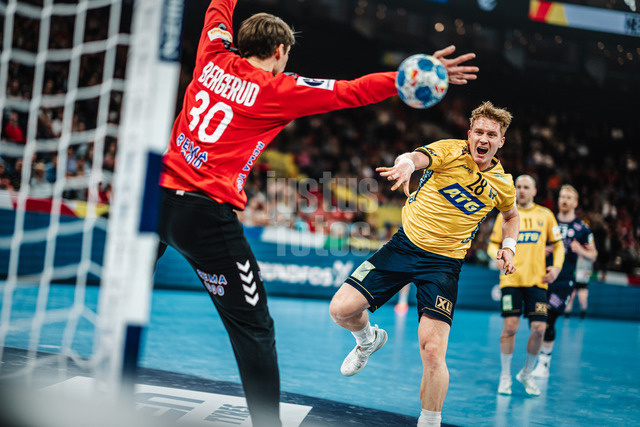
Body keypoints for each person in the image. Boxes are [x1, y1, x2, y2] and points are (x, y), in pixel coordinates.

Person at [155, 0, 480, 425]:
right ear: (279, 52)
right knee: (254, 330)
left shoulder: (213, 51)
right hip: (204, 216)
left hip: (156, 202)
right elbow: (351, 91)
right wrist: (405, 78)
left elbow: (218, 8)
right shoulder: (276, 90)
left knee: (129, 282)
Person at [330, 101, 518, 427]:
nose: (483, 139)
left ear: (501, 142)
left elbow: (511, 215)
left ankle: (430, 422)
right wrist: (405, 164)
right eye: (479, 132)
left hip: (444, 265)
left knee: (433, 352)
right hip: (403, 247)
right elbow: (417, 157)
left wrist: (509, 247)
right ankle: (367, 340)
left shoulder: (503, 183)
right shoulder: (451, 151)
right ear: (469, 134)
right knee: (340, 310)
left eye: (491, 134)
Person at [488, 174, 565, 397]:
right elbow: (492, 244)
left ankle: (527, 373)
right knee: (510, 328)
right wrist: (497, 257)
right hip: (510, 280)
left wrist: (556, 268)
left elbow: (558, 245)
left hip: (537, 281)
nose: (521, 190)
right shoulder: (505, 214)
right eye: (518, 186)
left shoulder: (545, 215)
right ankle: (505, 376)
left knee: (539, 329)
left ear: (534, 191)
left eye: (525, 187)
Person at [532, 185, 597, 378]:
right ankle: (539, 359)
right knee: (537, 321)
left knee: (549, 318)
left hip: (564, 281)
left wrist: (581, 250)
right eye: (562, 196)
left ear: (575, 203)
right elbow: (533, 243)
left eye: (569, 197)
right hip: (542, 277)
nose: (564, 200)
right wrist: (541, 250)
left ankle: (544, 363)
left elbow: (593, 254)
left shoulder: (582, 229)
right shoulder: (548, 220)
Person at [564, 254, 594, 319]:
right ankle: (567, 315)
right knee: (570, 298)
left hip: (583, 283)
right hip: (574, 281)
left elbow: (590, 272)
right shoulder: (573, 258)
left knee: (582, 300)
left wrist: (587, 274)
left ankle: (582, 314)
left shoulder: (588, 260)